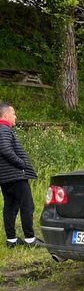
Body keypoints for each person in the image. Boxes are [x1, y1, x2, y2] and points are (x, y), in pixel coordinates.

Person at [0, 103, 43, 248]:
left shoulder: (3, 129)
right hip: (15, 176)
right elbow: (5, 149)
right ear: (6, 115)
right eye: (13, 114)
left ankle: (11, 240)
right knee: (27, 206)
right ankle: (30, 240)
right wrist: (21, 163)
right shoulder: (4, 129)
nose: (15, 117)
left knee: (10, 206)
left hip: (6, 177)